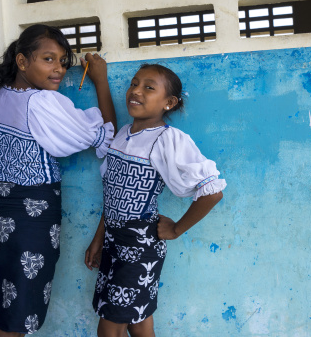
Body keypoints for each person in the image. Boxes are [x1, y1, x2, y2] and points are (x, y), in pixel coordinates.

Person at [0, 24, 117, 337]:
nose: (59, 69)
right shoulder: (40, 103)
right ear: (22, 61)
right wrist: (101, 81)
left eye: (63, 61)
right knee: (16, 318)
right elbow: (106, 135)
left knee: (4, 310)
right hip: (29, 221)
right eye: (48, 59)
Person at [84, 63, 226, 336]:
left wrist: (176, 229)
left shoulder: (167, 139)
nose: (136, 91)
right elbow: (114, 195)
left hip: (139, 247)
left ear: (168, 103)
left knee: (110, 327)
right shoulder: (124, 134)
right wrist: (99, 237)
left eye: (148, 87)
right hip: (115, 242)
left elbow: (212, 191)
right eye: (134, 83)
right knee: (138, 323)